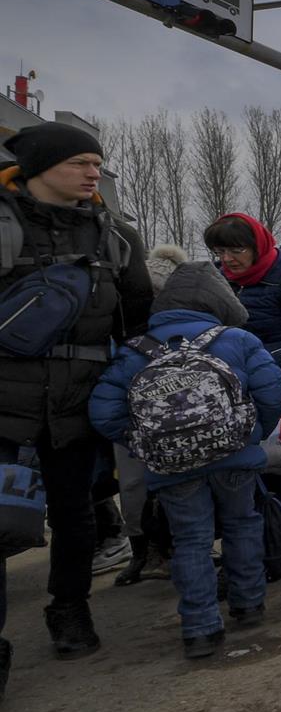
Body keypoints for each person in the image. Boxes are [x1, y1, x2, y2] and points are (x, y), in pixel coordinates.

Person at [0, 123, 152, 674]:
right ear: (40, 168)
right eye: (81, 163)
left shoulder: (115, 236)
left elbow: (138, 318)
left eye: (97, 163)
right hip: (5, 400)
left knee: (77, 513)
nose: (94, 174)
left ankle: (70, 608)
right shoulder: (3, 224)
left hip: (80, 401)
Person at [87, 262, 281, 657]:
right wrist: (251, 434)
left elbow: (104, 412)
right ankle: (248, 606)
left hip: (173, 466)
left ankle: (200, 629)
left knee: (190, 540)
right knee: (242, 525)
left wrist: (144, 444)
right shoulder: (238, 340)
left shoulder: (135, 350)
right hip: (233, 456)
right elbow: (273, 392)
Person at [108, 243, 189, 587]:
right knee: (131, 484)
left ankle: (174, 548)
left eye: (158, 291)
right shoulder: (119, 325)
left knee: (176, 481)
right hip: (130, 415)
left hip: (172, 413)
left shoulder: (180, 329)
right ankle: (141, 549)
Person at [203, 212, 281, 410]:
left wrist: (254, 365)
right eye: (220, 251)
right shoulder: (216, 281)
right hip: (238, 386)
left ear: (257, 247)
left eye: (237, 250)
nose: (227, 258)